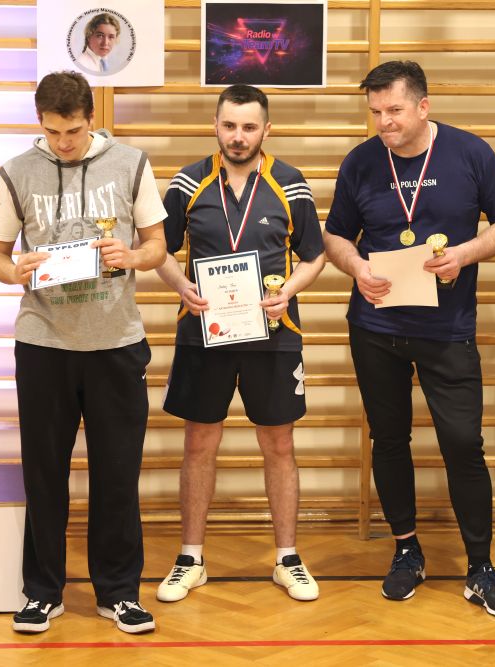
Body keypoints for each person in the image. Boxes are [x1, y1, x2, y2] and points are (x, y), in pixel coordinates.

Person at [323, 60, 495, 617]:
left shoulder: (469, 153)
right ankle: (406, 551)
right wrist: (356, 267)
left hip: (447, 329)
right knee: (389, 441)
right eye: (375, 112)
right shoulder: (361, 161)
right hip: (376, 328)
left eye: (394, 110)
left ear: (423, 106)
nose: (384, 122)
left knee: (463, 444)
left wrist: (464, 254)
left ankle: (480, 567)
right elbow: (335, 235)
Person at [0, 71, 166, 634]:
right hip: (43, 343)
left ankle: (120, 592)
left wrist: (131, 257)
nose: (64, 142)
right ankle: (42, 592)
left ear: (92, 118)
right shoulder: (16, 171)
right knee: (44, 474)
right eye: (53, 131)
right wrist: (15, 270)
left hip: (116, 343)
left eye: (74, 130)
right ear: (40, 122)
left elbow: (158, 246)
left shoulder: (131, 163)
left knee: (118, 474)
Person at [154, 84, 325, 605]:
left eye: (249, 127)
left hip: (274, 334)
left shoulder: (291, 183)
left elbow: (314, 255)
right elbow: (157, 249)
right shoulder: (188, 181)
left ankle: (287, 558)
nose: (238, 136)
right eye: (229, 125)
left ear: (266, 130)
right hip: (202, 334)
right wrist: (181, 286)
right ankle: (191, 558)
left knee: (279, 445)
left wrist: (288, 291)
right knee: (198, 443)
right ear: (215, 125)